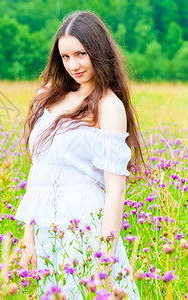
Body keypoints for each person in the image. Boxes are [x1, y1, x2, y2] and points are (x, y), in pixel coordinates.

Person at [15, 11, 144, 299]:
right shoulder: (47, 95)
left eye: (81, 54)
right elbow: (38, 175)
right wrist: (28, 238)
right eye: (66, 57)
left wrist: (104, 256)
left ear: (98, 51)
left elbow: (114, 190)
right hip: (46, 227)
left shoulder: (108, 106)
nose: (74, 65)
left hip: (84, 227)